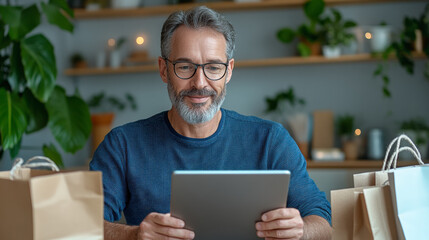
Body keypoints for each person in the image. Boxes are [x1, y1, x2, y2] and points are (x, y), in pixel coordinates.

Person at [90, 6, 332, 240]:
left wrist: (301, 231)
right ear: (164, 70)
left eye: (213, 67)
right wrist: (133, 235)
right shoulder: (122, 145)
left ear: (229, 71)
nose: (200, 83)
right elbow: (80, 224)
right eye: (185, 67)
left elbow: (323, 222)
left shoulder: (270, 140)